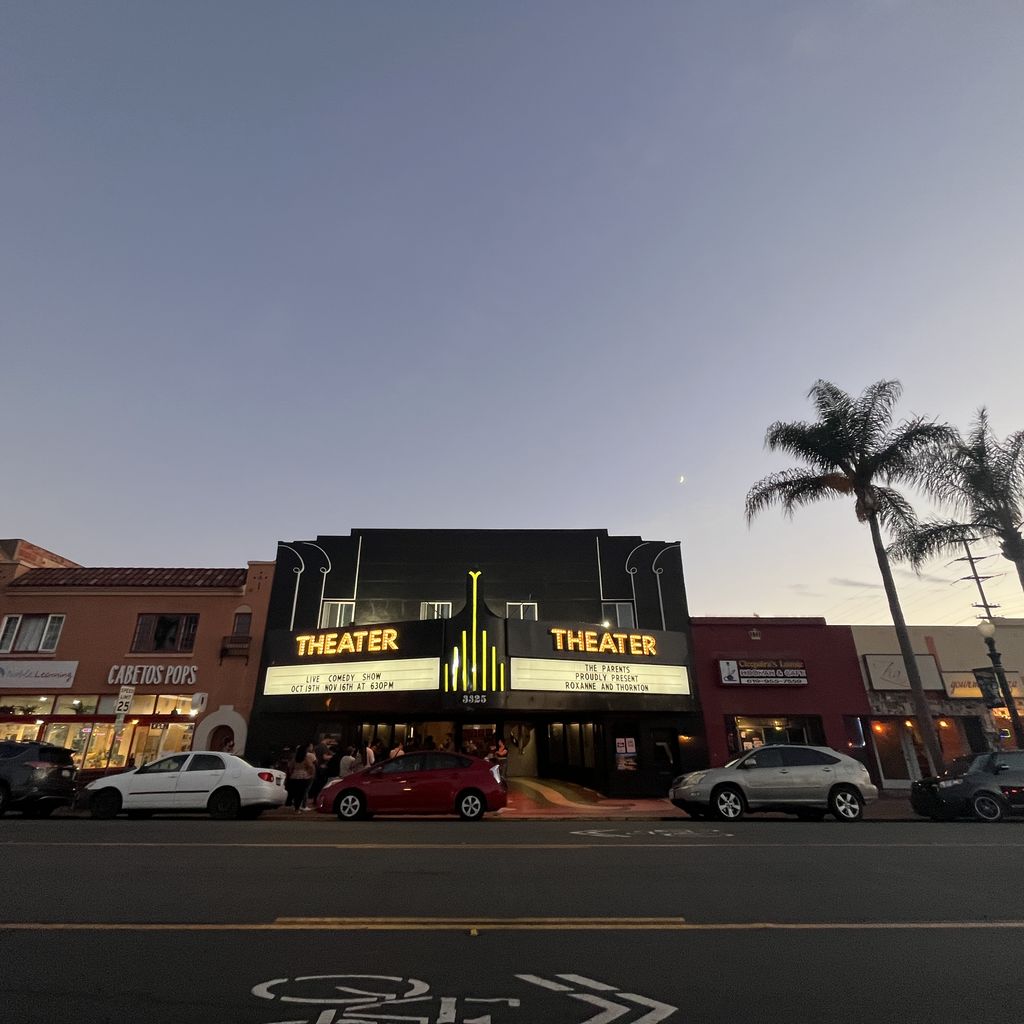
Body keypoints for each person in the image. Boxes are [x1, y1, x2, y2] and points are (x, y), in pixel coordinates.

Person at [286, 743, 316, 811]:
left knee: (295, 792)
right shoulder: (305, 758)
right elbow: (311, 766)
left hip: (294, 776)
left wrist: (291, 773)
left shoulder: (295, 758)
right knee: (301, 793)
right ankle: (298, 807)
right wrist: (310, 774)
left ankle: (295, 806)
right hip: (303, 776)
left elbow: (290, 767)